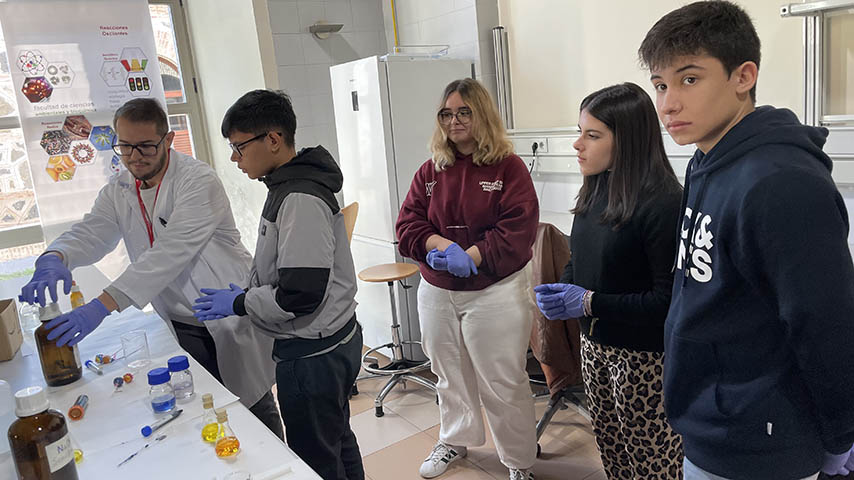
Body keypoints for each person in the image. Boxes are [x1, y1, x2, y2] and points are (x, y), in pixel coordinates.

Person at [638, 2, 854, 479]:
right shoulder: (706, 159)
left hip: (763, 439)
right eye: (660, 84)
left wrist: (842, 434)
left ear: (743, 76)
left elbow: (825, 322)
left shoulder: (782, 182)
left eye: (689, 79)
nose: (667, 103)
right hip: (713, 422)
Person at [18, 98, 283, 439]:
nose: (133, 156)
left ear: (168, 140)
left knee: (253, 405)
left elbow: (169, 254)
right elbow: (93, 231)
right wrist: (55, 257)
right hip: (178, 319)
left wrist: (100, 307)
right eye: (125, 146)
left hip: (226, 314)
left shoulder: (197, 181)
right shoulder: (120, 188)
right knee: (201, 406)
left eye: (145, 146)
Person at [192, 89, 364, 480]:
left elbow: (300, 293)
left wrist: (241, 303)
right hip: (330, 341)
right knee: (337, 439)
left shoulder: (299, 197)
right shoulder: (287, 184)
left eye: (239, 147)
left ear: (272, 139)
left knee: (316, 458)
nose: (235, 159)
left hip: (312, 355)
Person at [534, 82, 684, 480]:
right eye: (580, 132)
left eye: (592, 135)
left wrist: (587, 302)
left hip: (644, 360)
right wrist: (563, 288)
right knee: (613, 452)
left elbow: (666, 302)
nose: (577, 145)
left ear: (628, 141)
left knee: (652, 465)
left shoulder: (664, 203)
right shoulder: (596, 188)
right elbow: (578, 258)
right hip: (596, 348)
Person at [396, 78, 539, 480]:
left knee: (502, 379)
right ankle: (455, 439)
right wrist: (440, 245)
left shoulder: (508, 169)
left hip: (494, 291)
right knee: (448, 372)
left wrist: (471, 256)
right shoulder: (430, 169)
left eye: (463, 112)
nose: (454, 120)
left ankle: (518, 461)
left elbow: (518, 230)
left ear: (482, 115)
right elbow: (408, 224)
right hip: (438, 291)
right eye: (446, 113)